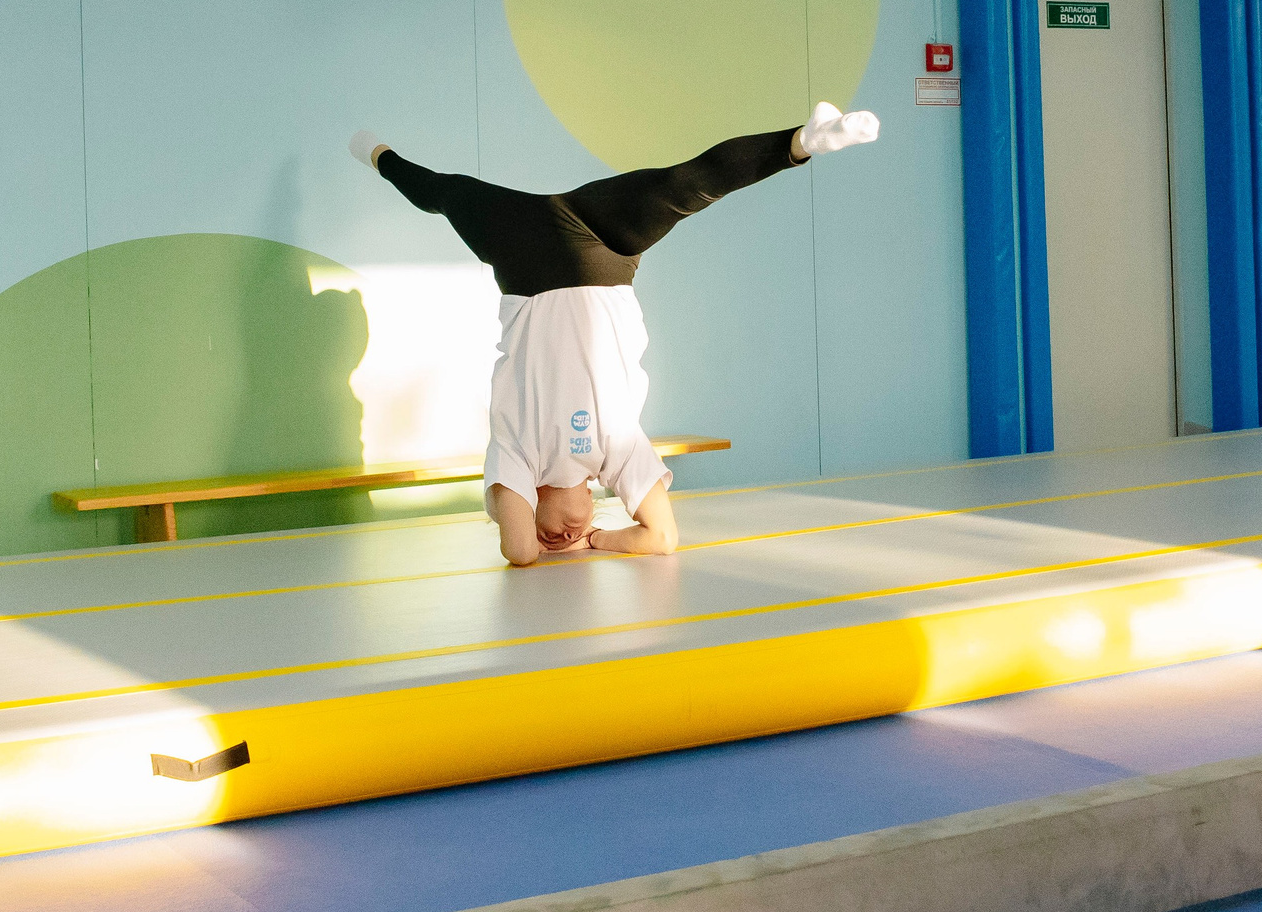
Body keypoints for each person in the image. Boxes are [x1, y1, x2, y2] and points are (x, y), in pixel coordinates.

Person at [351, 102, 878, 565]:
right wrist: (598, 541)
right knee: (682, 187)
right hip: (605, 251)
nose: (561, 536)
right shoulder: (618, 454)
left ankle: (378, 156)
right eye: (565, 539)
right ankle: (804, 142)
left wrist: (531, 533)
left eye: (548, 533)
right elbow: (662, 539)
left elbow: (519, 552)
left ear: (527, 501)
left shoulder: (518, 457)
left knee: (443, 192)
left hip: (522, 254)